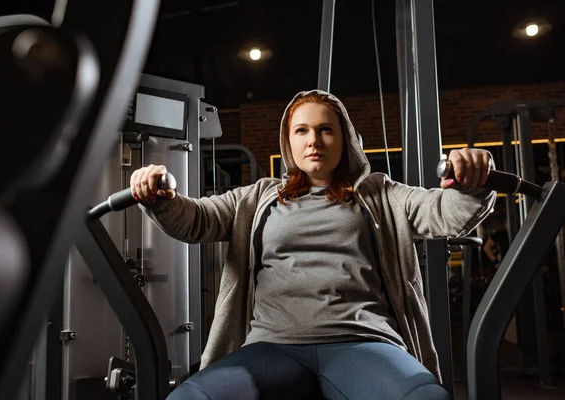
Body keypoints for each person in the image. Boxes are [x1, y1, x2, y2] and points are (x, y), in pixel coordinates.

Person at [131, 90, 496, 399]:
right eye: (301, 130)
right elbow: (196, 220)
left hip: (363, 342)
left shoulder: (382, 194)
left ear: (345, 138)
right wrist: (162, 196)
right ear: (289, 141)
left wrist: (472, 182)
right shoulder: (258, 198)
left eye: (326, 130)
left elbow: (444, 212)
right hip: (272, 346)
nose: (314, 140)